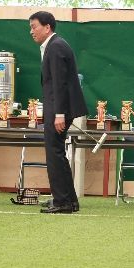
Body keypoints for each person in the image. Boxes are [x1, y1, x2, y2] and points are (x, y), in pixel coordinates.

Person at [29, 11, 88, 214]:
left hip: (59, 109)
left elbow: (59, 83)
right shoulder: (54, 45)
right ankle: (69, 200)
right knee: (57, 153)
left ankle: (62, 202)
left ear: (47, 27)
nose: (31, 31)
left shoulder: (55, 47)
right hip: (57, 108)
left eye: (34, 27)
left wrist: (60, 114)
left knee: (54, 154)